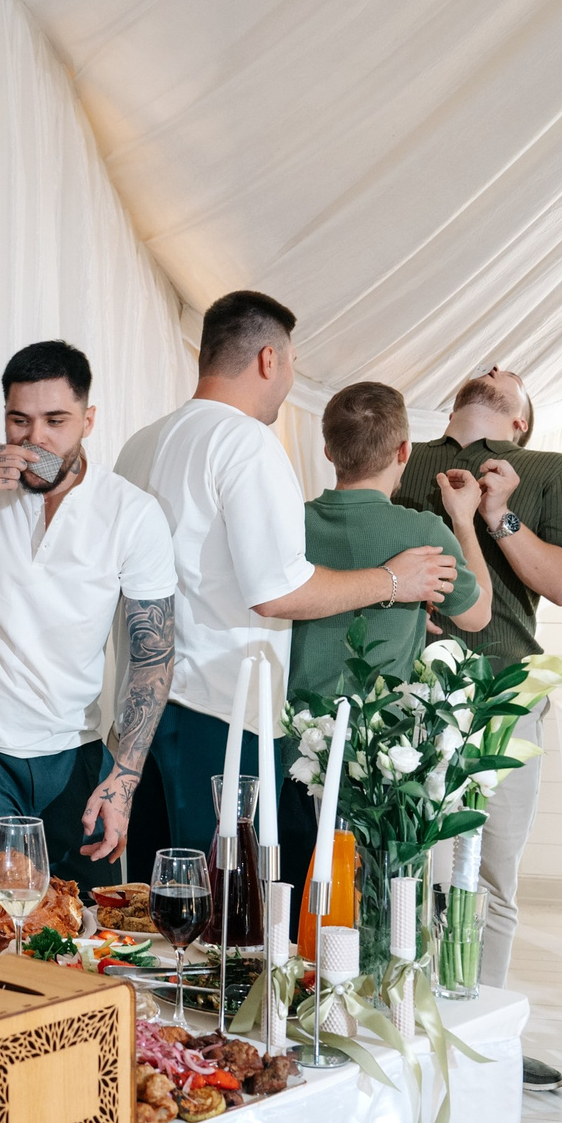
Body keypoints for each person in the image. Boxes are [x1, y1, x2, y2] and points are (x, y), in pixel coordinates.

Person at [117, 289, 456, 881]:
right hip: (222, 709)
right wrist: (392, 581)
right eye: (293, 363)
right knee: (224, 910)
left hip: (144, 704)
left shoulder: (141, 442)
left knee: (156, 902)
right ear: (269, 359)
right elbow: (279, 591)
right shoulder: (246, 443)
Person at [396, 365, 562, 1092]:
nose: (500, 372)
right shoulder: (401, 453)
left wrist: (500, 515)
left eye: (516, 386)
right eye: (489, 375)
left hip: (508, 690)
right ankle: (405, 1026)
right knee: (405, 865)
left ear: (521, 426)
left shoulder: (551, 470)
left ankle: (478, 1035)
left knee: (492, 875)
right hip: (407, 689)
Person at [0, 340, 177, 892]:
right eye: (19, 420)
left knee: (78, 928)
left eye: (56, 420)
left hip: (75, 751)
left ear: (88, 420)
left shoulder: (132, 513)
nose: (35, 439)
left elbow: (153, 653)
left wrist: (124, 776)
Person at [290, 380, 489, 702]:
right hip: (383, 733)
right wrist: (464, 521)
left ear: (328, 451)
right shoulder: (424, 531)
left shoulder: (292, 524)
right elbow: (477, 616)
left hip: (294, 725)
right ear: (404, 450)